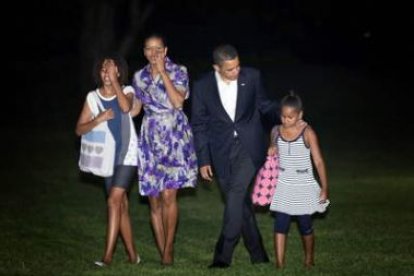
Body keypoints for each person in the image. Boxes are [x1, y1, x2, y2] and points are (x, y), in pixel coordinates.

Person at [191, 44, 279, 268]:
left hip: (249, 147)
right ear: (216, 68)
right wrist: (203, 160)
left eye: (238, 66)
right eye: (230, 69)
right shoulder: (202, 87)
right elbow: (199, 125)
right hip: (220, 152)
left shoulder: (252, 77)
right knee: (239, 204)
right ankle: (258, 254)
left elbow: (264, 105)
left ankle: (223, 255)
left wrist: (285, 112)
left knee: (236, 194)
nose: (236, 71)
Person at [132, 33, 198, 265]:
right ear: (144, 51)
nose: (153, 53)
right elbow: (134, 111)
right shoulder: (138, 77)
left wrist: (162, 73)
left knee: (169, 195)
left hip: (174, 137)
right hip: (150, 138)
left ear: (165, 50)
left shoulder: (179, 70)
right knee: (154, 199)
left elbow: (178, 102)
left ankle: (169, 250)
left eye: (158, 49)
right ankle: (163, 251)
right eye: (149, 49)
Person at [75, 54, 141, 266]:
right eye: (104, 70)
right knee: (120, 205)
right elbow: (79, 129)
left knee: (113, 201)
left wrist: (115, 82)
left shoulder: (128, 91)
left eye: (111, 69)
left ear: (118, 72)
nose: (106, 73)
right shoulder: (92, 98)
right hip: (106, 158)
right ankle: (133, 256)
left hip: (127, 154)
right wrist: (98, 119)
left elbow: (124, 108)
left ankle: (108, 256)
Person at [268, 92, 330, 269]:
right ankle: (279, 264)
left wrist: (324, 188)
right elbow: (272, 149)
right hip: (283, 183)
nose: (286, 120)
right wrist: (271, 148)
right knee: (281, 223)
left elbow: (318, 161)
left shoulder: (307, 133)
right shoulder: (275, 131)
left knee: (305, 224)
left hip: (302, 183)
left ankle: (309, 259)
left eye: (290, 117)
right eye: (283, 116)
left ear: (300, 115)